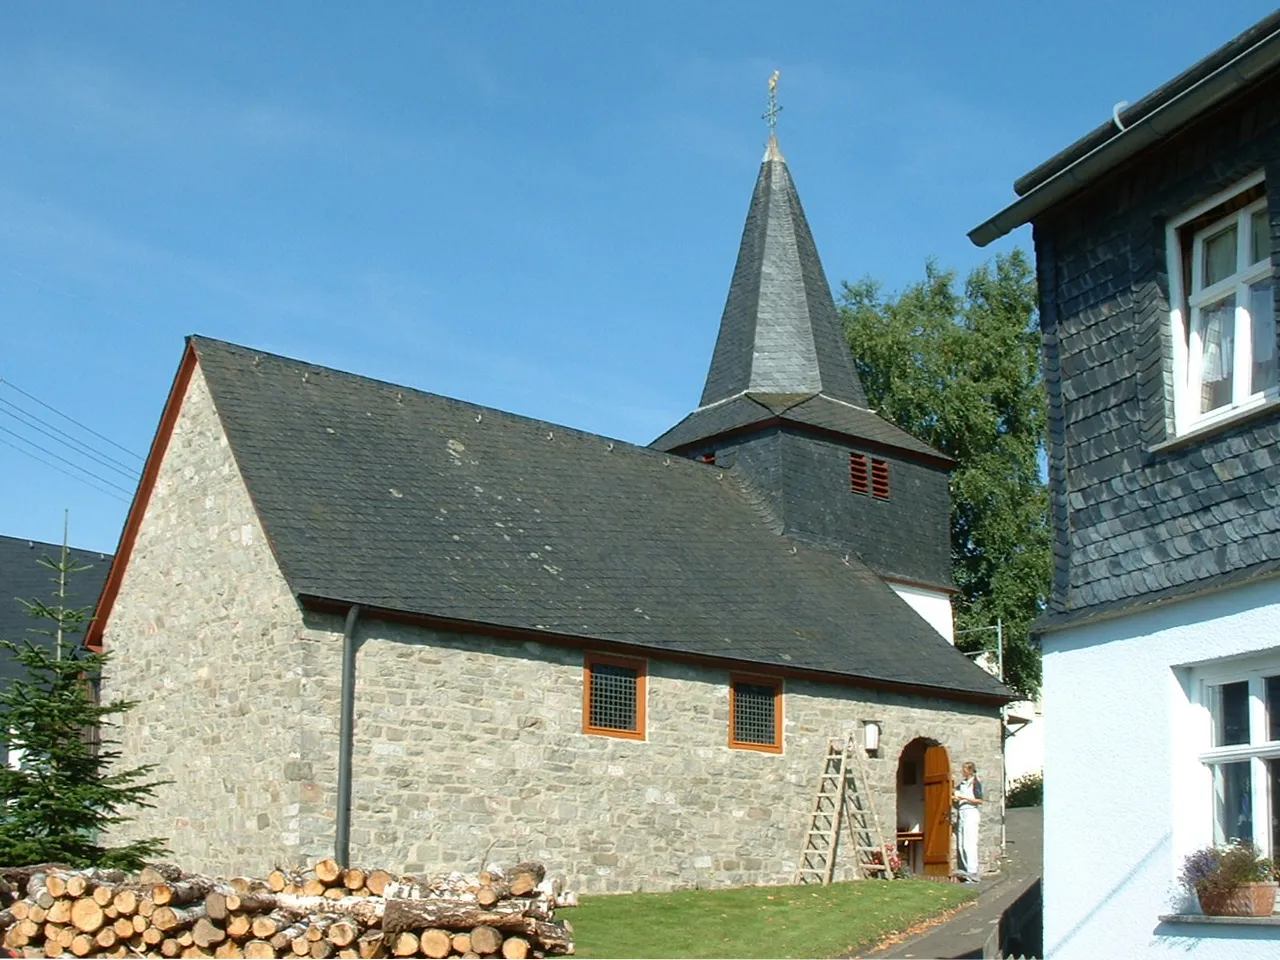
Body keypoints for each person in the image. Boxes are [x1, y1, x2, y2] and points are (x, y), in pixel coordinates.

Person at [953, 761, 984, 882]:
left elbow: (980, 800)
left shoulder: (975, 783)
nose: (962, 772)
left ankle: (973, 872)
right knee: (961, 844)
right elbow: (956, 793)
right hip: (962, 812)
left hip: (971, 812)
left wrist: (964, 798)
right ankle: (968, 872)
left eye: (964, 770)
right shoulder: (963, 784)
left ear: (970, 771)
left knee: (969, 843)